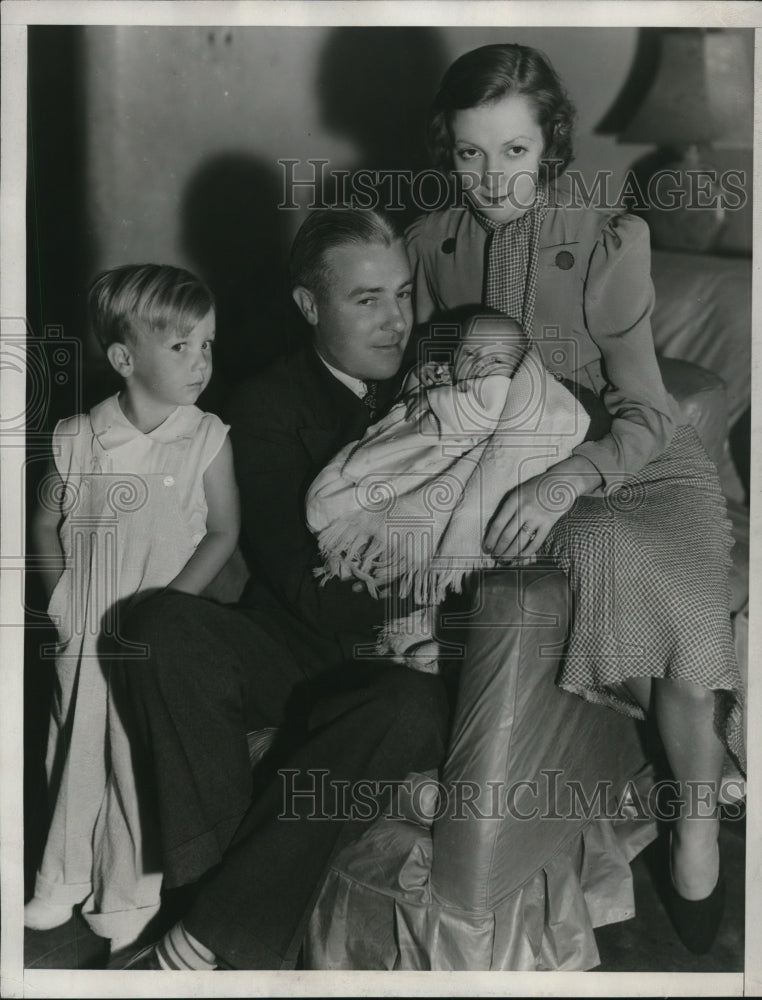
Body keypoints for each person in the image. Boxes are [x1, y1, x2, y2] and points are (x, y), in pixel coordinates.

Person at [404, 42, 744, 954]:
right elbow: (430, 392)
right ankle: (706, 749)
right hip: (516, 473)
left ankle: (699, 829)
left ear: (550, 143)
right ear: (449, 148)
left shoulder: (605, 239)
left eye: (514, 153)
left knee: (678, 606)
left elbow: (645, 407)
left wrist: (572, 474)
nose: (492, 179)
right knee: (599, 559)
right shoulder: (429, 242)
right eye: (471, 154)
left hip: (630, 464)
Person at [112, 209, 449, 970]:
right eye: (368, 300)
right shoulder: (264, 406)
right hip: (297, 645)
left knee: (407, 705)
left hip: (405, 672)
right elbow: (309, 591)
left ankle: (202, 941)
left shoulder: (453, 378)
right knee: (162, 625)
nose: (397, 320)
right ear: (309, 307)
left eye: (403, 293)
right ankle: (220, 926)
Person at [25, 264, 240, 951]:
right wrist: (60, 601)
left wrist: (173, 612)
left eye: (207, 344)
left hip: (159, 627)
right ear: (124, 358)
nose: (200, 360)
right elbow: (42, 524)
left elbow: (224, 531)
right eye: (180, 346)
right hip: (88, 623)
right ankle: (61, 875)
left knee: (135, 753)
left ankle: (126, 897)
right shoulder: (79, 437)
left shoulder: (207, 437)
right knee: (74, 744)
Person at [306, 307, 591, 669]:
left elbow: (479, 413)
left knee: (442, 569)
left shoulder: (500, 390)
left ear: (518, 367)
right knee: (406, 559)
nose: (480, 366)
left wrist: (434, 398)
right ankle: (406, 634)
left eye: (496, 360)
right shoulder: (450, 380)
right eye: (469, 354)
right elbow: (407, 412)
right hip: (425, 477)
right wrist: (421, 383)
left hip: (460, 493)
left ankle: (429, 636)